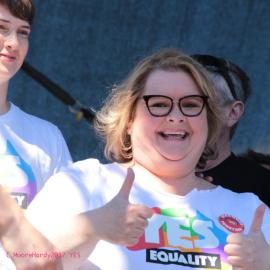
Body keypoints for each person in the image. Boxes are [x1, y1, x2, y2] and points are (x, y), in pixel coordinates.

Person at [24, 48, 270, 270]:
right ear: (129, 119)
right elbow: (17, 259)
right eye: (160, 104)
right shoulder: (83, 184)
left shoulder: (249, 210)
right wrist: (91, 227)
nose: (176, 117)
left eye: (191, 105)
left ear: (209, 121)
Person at [0, 0, 72, 268]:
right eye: (2, 27)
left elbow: (64, 235)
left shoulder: (46, 137)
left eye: (23, 32)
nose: (13, 43)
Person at [192, 54, 270, 207]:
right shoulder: (141, 176)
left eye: (194, 103)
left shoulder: (262, 188)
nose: (176, 114)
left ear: (233, 113)